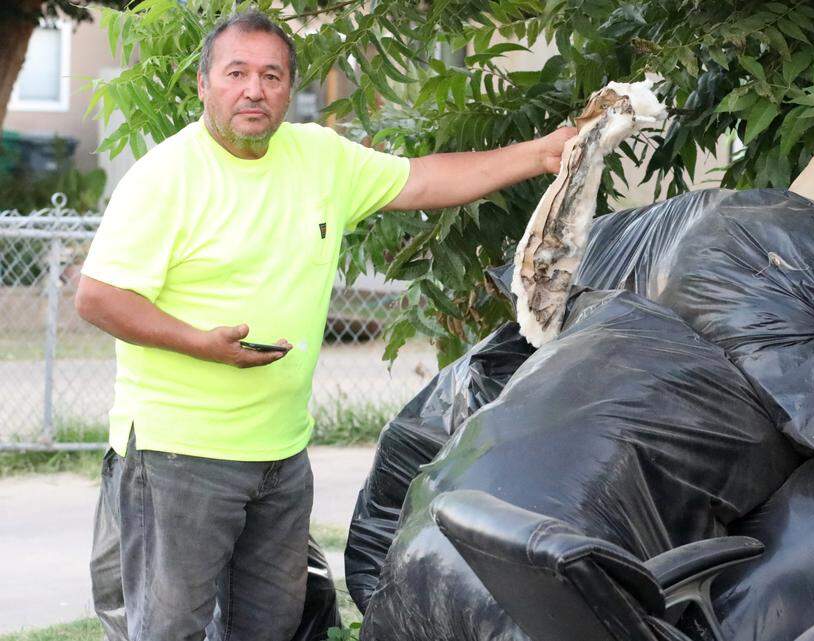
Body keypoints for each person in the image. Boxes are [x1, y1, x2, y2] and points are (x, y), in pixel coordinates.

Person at [75, 9, 576, 641]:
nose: (253, 89)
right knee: (168, 631)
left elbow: (422, 179)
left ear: (289, 87)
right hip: (179, 455)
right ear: (203, 85)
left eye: (271, 74)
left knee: (273, 627)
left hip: (281, 455)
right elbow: (98, 297)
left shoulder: (317, 155)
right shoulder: (166, 178)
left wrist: (540, 153)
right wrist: (202, 346)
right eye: (235, 73)